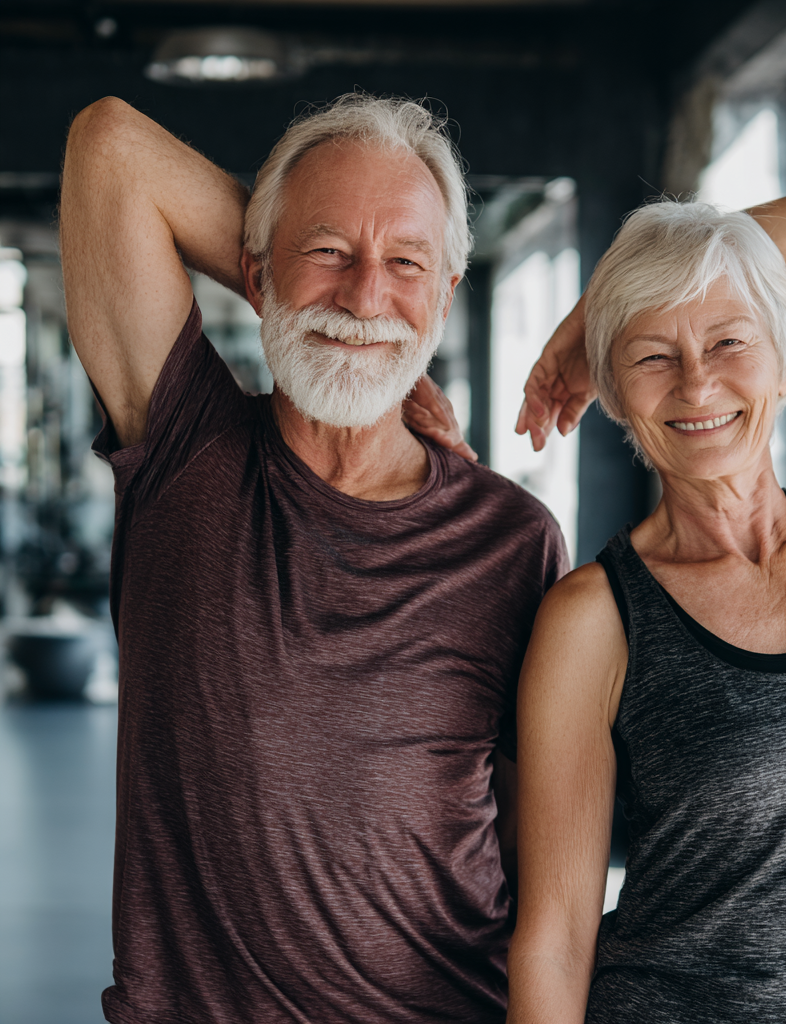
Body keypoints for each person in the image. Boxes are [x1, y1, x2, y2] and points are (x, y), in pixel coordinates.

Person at [60, 92, 568, 1024]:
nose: (366, 292)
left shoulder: (513, 542)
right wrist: (314, 305)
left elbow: (548, 886)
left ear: (449, 296)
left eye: (407, 263)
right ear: (252, 271)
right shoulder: (184, 452)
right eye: (329, 251)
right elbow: (109, 149)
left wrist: (358, 314)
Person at [507, 182, 786, 1023]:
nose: (697, 382)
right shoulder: (595, 619)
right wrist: (611, 320)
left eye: (728, 340)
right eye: (650, 357)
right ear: (616, 398)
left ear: (783, 360)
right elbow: (556, 939)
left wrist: (593, 311)